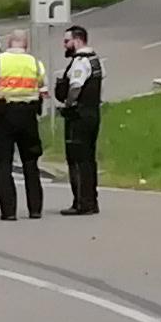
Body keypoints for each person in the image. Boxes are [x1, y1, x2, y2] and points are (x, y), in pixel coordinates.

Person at [0, 31, 48, 221]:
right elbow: (44, 91)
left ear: (8, 43)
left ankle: (9, 211)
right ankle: (35, 209)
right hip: (28, 116)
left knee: (4, 165)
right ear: (25, 46)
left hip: (4, 115)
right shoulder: (35, 63)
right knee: (31, 163)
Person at [56, 24, 103, 216]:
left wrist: (68, 103)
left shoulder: (80, 62)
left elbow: (75, 86)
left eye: (67, 41)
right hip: (92, 114)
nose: (64, 45)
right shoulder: (95, 59)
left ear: (77, 40)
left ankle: (82, 202)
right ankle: (91, 200)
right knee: (89, 160)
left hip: (79, 116)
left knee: (77, 160)